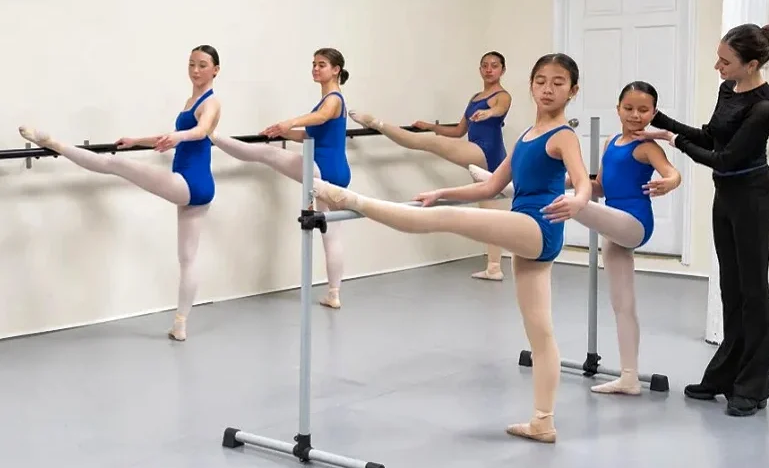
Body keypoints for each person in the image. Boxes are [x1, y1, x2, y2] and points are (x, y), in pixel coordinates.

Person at [312, 53, 593, 443]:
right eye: (541, 80)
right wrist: (443, 192)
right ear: (531, 85)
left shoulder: (563, 135)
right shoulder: (528, 137)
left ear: (573, 91)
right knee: (540, 333)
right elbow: (490, 186)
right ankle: (543, 422)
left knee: (446, 220)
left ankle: (351, 199)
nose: (548, 89)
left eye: (558, 83)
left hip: (539, 226)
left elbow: (581, 181)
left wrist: (578, 201)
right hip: (525, 229)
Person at [470, 81, 682, 395]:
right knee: (622, 304)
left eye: (643, 110)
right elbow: (599, 186)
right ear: (618, 109)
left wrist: (671, 182)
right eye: (629, 108)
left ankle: (508, 187)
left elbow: (671, 172)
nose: (635, 115)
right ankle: (629, 377)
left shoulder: (648, 147)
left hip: (634, 224)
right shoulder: (611, 142)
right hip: (613, 224)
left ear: (653, 113)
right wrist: (570, 182)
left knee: (572, 205)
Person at [19, 44, 223, 342]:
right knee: (187, 259)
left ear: (215, 70)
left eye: (202, 65)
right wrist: (137, 140)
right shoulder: (190, 100)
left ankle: (57, 145)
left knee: (115, 165)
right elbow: (169, 138)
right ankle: (180, 324)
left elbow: (201, 132)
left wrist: (178, 136)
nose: (195, 70)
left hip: (190, 183)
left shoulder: (211, 102)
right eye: (191, 64)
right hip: (194, 185)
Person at [636, 23, 769, 417]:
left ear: (752, 65)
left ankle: (753, 386)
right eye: (719, 58)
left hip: (753, 198)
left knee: (753, 291)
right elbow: (711, 137)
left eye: (725, 61)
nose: (718, 66)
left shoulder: (765, 106)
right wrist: (662, 122)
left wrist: (674, 141)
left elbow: (726, 159)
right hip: (727, 197)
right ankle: (725, 376)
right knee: (731, 289)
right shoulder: (728, 89)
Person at [348, 52, 512, 281]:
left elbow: (500, 109)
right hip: (479, 153)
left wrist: (489, 113)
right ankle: (494, 268)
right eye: (485, 65)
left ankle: (377, 123)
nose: (489, 69)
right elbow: (458, 131)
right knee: (489, 216)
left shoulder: (501, 96)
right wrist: (430, 126)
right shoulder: (475, 98)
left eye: (494, 66)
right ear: (479, 69)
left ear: (502, 70)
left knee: (427, 143)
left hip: (488, 152)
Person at [210, 47, 350, 309]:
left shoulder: (333, 98)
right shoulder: (330, 100)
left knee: (265, 154)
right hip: (337, 170)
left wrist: (289, 122)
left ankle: (213, 136)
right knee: (332, 235)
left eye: (322, 64)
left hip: (321, 168)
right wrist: (283, 133)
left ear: (336, 70)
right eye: (314, 64)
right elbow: (311, 135)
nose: (315, 68)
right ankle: (334, 293)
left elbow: (321, 117)